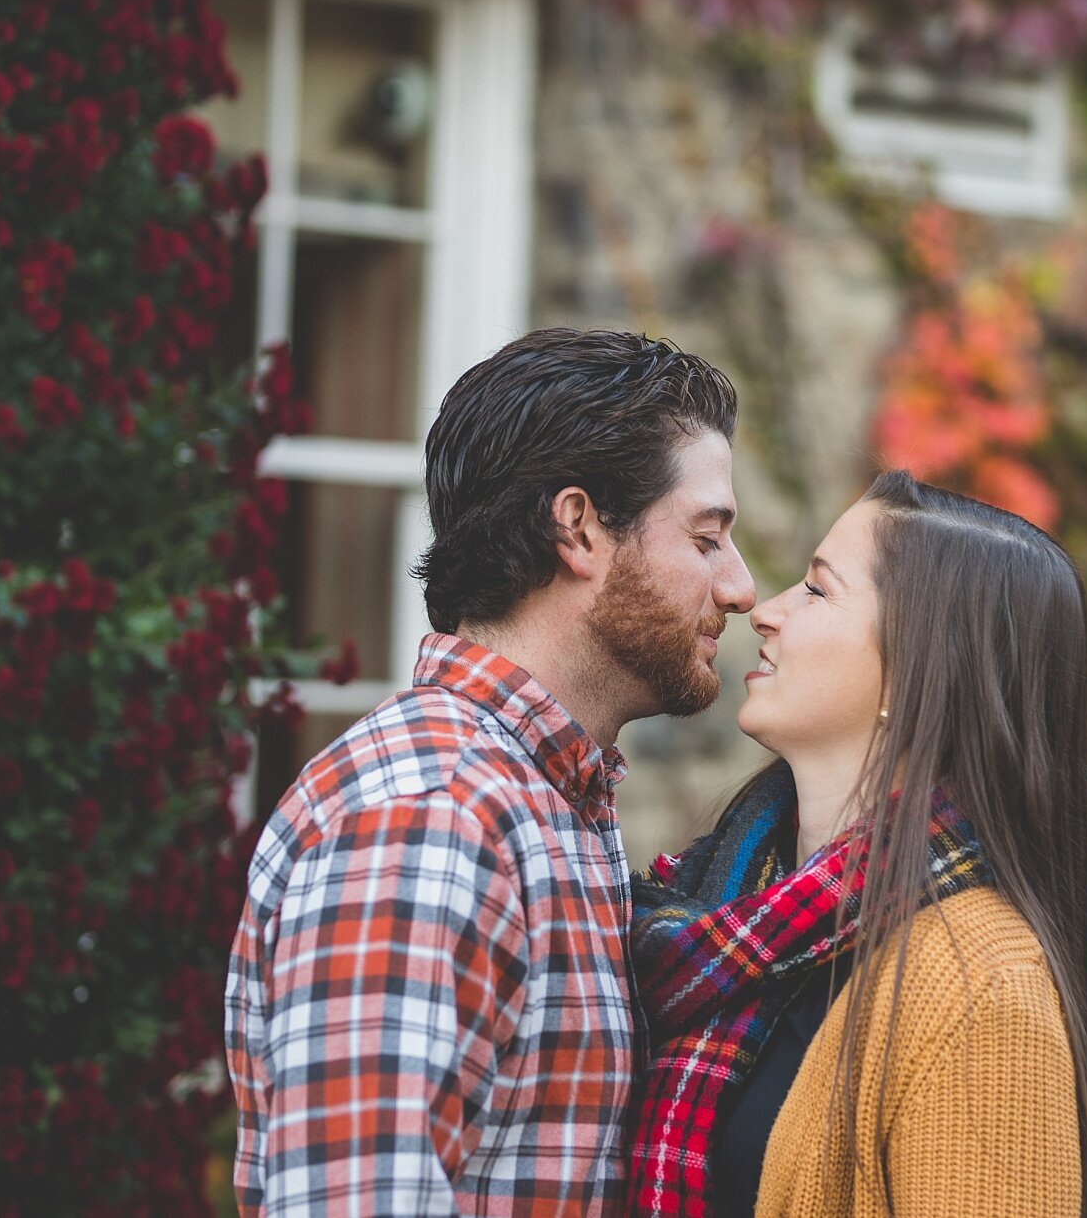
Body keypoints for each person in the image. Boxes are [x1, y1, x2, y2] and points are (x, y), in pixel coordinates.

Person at [224, 328, 757, 1217]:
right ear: (579, 527)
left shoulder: (540, 798)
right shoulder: (432, 816)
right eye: (707, 538)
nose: (740, 587)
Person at [628, 470, 1087, 1218]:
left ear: (919, 668)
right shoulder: (737, 909)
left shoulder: (982, 987)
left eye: (817, 590)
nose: (767, 609)